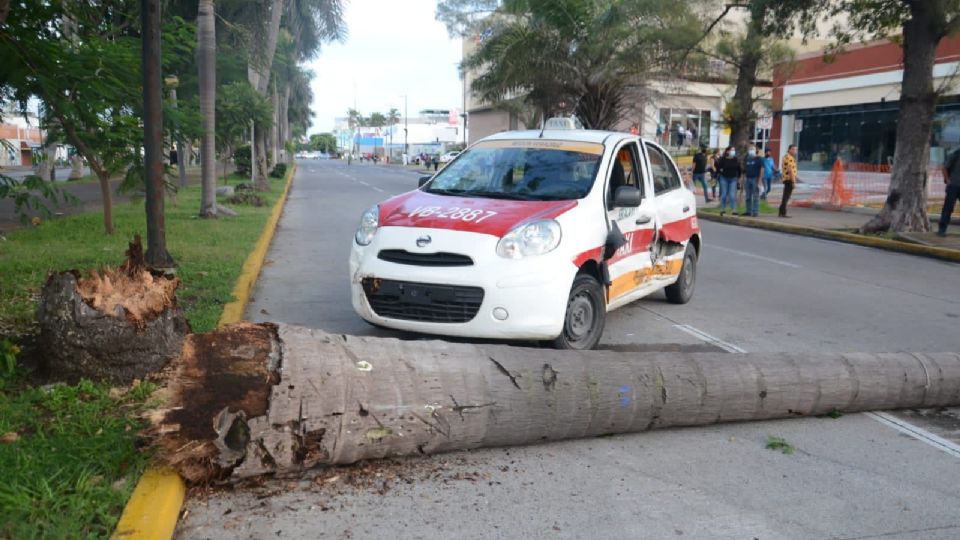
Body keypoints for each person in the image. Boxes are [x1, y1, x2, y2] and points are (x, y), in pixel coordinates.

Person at [939, 147, 960, 236]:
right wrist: (948, 180)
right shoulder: (955, 154)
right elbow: (944, 167)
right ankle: (942, 229)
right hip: (954, 185)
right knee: (948, 208)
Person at [717, 146, 741, 216]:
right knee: (724, 194)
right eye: (732, 150)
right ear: (727, 151)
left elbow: (739, 169)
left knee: (732, 195)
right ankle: (722, 210)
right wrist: (721, 171)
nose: (733, 151)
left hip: (733, 179)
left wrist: (739, 178)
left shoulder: (735, 159)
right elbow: (718, 168)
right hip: (724, 178)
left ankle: (734, 210)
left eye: (734, 150)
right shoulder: (723, 159)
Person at [743, 145, 763, 217]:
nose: (751, 150)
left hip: (755, 179)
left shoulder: (758, 159)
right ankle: (748, 211)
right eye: (750, 149)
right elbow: (745, 170)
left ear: (755, 150)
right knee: (748, 196)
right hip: (748, 178)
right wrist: (744, 179)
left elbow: (761, 169)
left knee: (755, 196)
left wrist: (760, 180)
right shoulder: (747, 159)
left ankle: (755, 212)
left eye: (752, 149)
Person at [779, 144, 798, 217]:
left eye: (796, 149)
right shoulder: (789, 157)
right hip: (789, 179)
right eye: (793, 149)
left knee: (786, 196)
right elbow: (790, 170)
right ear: (789, 149)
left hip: (787, 178)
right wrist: (793, 181)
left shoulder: (788, 157)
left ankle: (781, 211)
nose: (795, 151)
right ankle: (783, 212)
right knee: (786, 196)